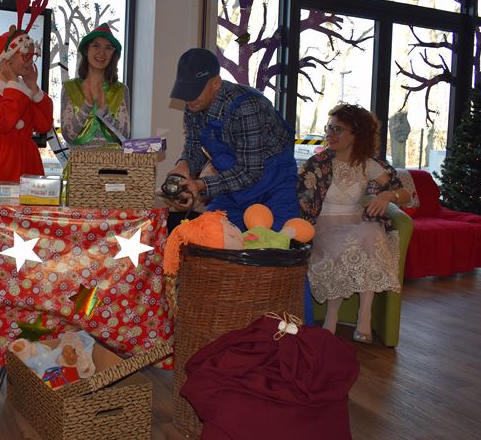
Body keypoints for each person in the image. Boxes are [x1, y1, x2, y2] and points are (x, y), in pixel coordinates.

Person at [297, 103, 410, 343]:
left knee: (370, 232)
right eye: (329, 127)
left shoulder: (368, 164)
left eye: (337, 129)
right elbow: (301, 199)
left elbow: (406, 195)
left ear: (356, 135)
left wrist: (386, 195)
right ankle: (331, 318)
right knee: (355, 239)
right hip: (324, 226)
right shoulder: (318, 163)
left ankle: (364, 317)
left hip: (356, 223)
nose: (330, 133)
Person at [165, 48, 300, 232]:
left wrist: (201, 185)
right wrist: (183, 167)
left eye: (195, 90)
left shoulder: (246, 107)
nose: (189, 99)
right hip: (233, 187)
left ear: (216, 83)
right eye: (185, 90)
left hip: (272, 186)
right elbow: (195, 145)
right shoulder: (194, 105)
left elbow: (250, 172)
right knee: (210, 234)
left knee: (272, 243)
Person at [0, 0, 53, 182]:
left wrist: (34, 88)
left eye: (32, 55)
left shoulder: (24, 88)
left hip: (29, 160)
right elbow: (4, 122)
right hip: (0, 163)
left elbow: (44, 125)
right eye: (25, 54)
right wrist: (13, 83)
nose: (30, 60)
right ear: (7, 59)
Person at [60, 23, 130, 146]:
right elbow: (68, 136)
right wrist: (87, 104)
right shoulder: (70, 88)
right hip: (79, 158)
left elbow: (124, 136)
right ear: (86, 50)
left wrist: (104, 110)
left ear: (113, 54)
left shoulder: (120, 90)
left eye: (108, 48)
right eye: (96, 45)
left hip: (114, 158)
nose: (102, 53)